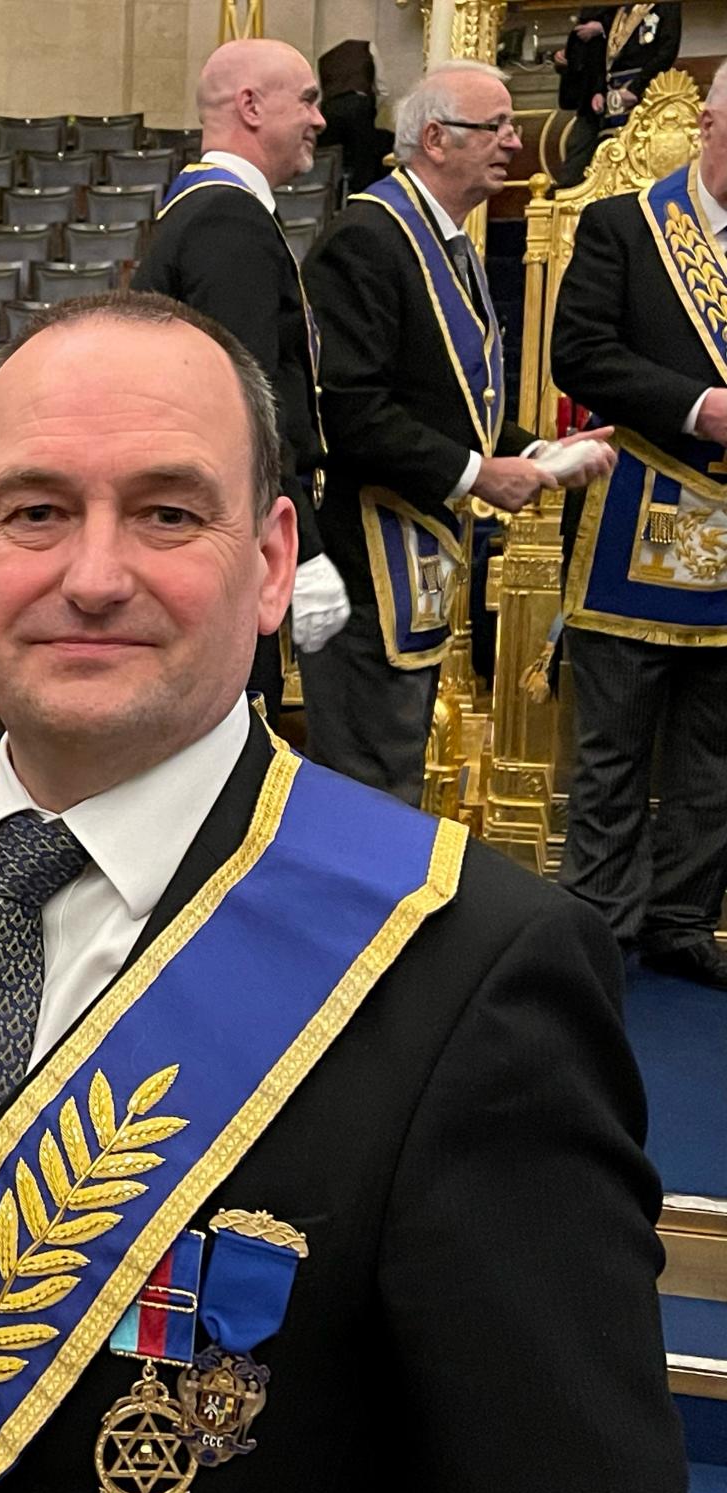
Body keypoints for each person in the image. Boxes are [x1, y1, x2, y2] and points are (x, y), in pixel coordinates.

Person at [0, 293, 684, 1493]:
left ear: (265, 567)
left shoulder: (474, 970)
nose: (92, 577)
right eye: (35, 512)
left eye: (165, 513)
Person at [301, 61, 615, 804]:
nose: (515, 140)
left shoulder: (450, 240)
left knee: (396, 774)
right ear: (436, 139)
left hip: (416, 559)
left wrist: (533, 448)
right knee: (369, 785)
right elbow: (349, 410)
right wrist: (480, 474)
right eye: (496, 126)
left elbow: (451, 397)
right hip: (365, 560)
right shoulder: (369, 238)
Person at [549, 63, 727, 988]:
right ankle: (597, 925)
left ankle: (683, 923)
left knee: (715, 752)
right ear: (709, 124)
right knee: (613, 742)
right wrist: (700, 407)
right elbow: (577, 353)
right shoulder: (628, 225)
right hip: (641, 512)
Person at [134, 37, 349, 715]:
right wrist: (300, 549)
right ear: (251, 106)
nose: (320, 119)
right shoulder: (229, 217)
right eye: (308, 100)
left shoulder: (199, 208)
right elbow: (247, 402)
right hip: (228, 548)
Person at [555, 5, 683, 186]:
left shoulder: (665, 6)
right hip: (607, 91)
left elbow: (666, 54)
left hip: (645, 93)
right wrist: (599, 90)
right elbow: (602, 56)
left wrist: (635, 89)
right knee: (586, 144)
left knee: (637, 153)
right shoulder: (617, 9)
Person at [316, 39, 393, 193]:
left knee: (331, 162)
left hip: (330, 110)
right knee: (364, 163)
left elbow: (318, 96)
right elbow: (383, 89)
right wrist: (370, 107)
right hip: (358, 105)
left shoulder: (323, 59)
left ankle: (333, 200)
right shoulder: (367, 47)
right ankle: (361, 198)